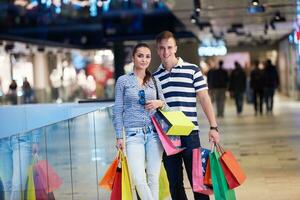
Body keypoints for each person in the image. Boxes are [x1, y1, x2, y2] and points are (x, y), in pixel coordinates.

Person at [153, 31, 220, 200]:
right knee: (174, 183)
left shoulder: (192, 70)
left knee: (198, 182)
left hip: (191, 134)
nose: (166, 51)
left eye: (169, 47)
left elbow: (204, 98)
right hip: (168, 138)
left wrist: (213, 127)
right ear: (157, 50)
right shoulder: (154, 78)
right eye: (162, 48)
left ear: (175, 48)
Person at [113, 43, 165, 200]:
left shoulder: (154, 80)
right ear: (133, 57)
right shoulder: (123, 81)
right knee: (138, 178)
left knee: (153, 177)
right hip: (133, 134)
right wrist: (119, 136)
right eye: (140, 56)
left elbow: (165, 103)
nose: (144, 59)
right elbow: (117, 110)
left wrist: (159, 103)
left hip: (154, 133)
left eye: (147, 56)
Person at [0, 130, 39, 200]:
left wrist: (35, 139)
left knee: (18, 185)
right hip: (2, 142)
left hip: (22, 138)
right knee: (7, 186)